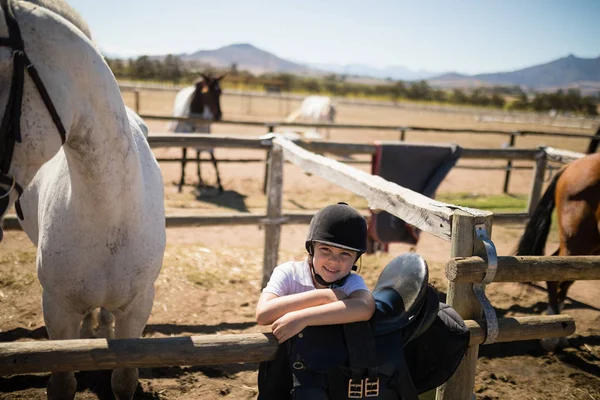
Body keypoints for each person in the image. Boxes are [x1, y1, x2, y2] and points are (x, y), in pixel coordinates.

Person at [256, 202, 375, 398]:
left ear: (356, 259)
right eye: (325, 249)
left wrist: (302, 318)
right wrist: (324, 296)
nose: (334, 261)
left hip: (329, 371)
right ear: (311, 248)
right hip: (287, 369)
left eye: (345, 254)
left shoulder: (352, 281)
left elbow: (365, 308)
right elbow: (263, 314)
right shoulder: (289, 273)